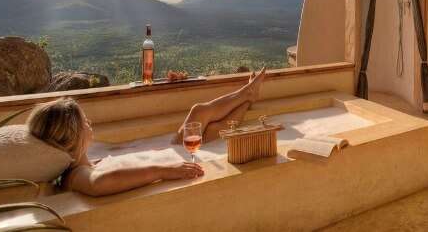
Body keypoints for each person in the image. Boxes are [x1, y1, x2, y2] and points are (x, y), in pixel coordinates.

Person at [27, 68, 266, 196]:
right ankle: (246, 96)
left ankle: (246, 97)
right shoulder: (75, 175)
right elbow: (100, 183)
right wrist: (166, 170)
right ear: (71, 134)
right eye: (82, 121)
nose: (88, 121)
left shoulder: (85, 158)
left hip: (168, 153)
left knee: (205, 122)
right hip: (170, 160)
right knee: (206, 122)